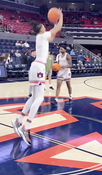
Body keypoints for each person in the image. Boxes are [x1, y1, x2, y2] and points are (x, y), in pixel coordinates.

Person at [11, 10, 63, 145]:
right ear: (40, 29)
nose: (45, 27)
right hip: (39, 67)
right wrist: (61, 17)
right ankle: (26, 127)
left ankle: (18, 121)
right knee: (39, 98)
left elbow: (53, 35)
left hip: (36, 67)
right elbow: (57, 29)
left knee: (33, 98)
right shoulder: (42, 35)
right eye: (43, 26)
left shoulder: (42, 37)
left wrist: (56, 23)